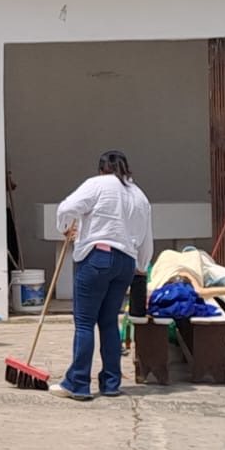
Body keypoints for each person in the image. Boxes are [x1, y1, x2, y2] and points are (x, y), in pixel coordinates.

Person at [49, 150, 153, 401]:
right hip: (126, 262)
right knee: (108, 322)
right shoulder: (140, 196)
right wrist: (142, 264)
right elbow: (146, 236)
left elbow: (66, 208)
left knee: (85, 322)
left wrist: (65, 228)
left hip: (98, 258)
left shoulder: (97, 184)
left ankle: (78, 383)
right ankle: (110, 383)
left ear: (102, 169)